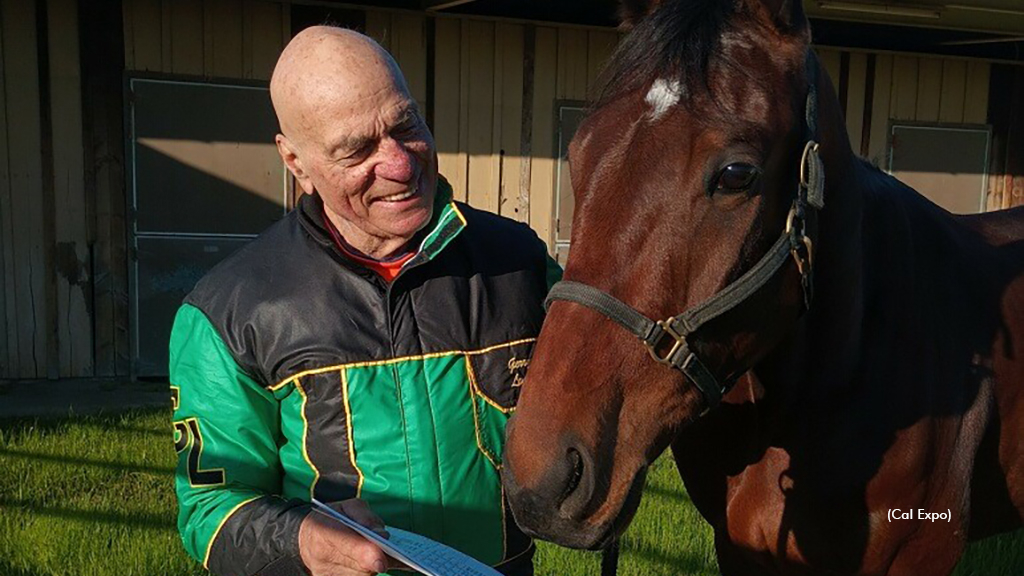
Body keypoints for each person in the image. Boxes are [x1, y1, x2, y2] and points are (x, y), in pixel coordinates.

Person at [169, 26, 560, 576]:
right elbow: (208, 509)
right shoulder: (229, 312)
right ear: (296, 162)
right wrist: (301, 539)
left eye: (407, 124)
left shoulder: (521, 264)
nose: (400, 165)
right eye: (357, 149)